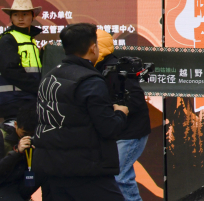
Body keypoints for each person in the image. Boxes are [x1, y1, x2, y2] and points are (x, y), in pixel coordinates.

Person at [33, 23, 129, 201]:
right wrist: (120, 113)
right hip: (86, 170)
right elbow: (108, 128)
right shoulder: (90, 81)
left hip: (52, 169)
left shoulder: (49, 76)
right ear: (93, 48)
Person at [96, 30, 151, 201]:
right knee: (117, 176)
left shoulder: (114, 69)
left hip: (130, 133)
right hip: (120, 132)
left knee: (120, 177)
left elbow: (136, 100)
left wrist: (115, 109)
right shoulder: (102, 67)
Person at [0, 0, 43, 123]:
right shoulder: (8, 39)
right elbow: (10, 70)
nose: (20, 18)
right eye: (15, 15)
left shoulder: (30, 39)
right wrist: (39, 87)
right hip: (14, 101)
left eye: (24, 14)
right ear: (11, 18)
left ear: (33, 16)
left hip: (28, 99)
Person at [0, 101, 40, 200]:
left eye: (31, 134)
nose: (28, 137)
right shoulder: (2, 136)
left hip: (23, 183)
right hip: (4, 185)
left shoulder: (37, 138)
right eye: (24, 133)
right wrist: (17, 152)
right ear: (15, 124)